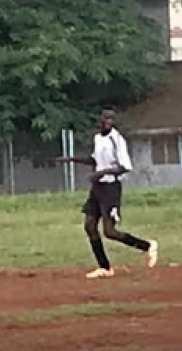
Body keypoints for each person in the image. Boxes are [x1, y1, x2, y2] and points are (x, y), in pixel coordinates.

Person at [57, 110, 158, 279]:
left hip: (110, 188)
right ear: (100, 120)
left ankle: (147, 246)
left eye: (111, 119)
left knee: (110, 232)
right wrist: (71, 159)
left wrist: (101, 173)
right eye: (105, 119)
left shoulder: (117, 139)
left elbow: (124, 166)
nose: (108, 122)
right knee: (89, 225)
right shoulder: (98, 138)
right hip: (97, 188)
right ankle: (104, 267)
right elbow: (95, 159)